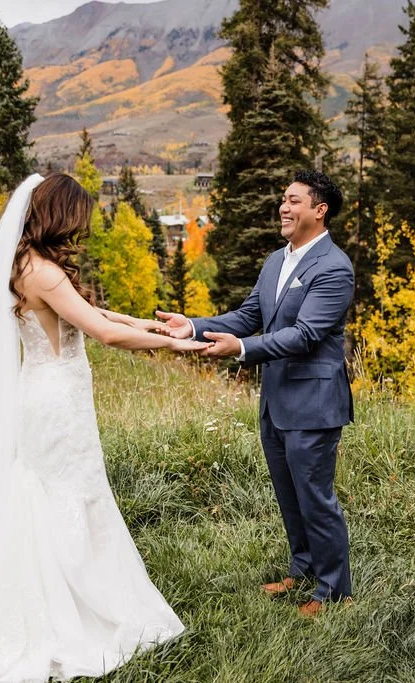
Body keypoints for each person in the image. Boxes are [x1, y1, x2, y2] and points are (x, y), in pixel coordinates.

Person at [0, 174, 205, 683]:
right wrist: (173, 346)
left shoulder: (26, 264)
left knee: (57, 492)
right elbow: (101, 331)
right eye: (79, 218)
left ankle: (67, 596)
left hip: (47, 393)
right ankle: (71, 608)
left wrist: (150, 325)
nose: (83, 228)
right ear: (61, 214)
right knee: (66, 494)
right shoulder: (44, 273)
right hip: (56, 400)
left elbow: (96, 313)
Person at [157, 170, 355, 617]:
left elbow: (305, 335)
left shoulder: (335, 267)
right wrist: (193, 325)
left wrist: (243, 350)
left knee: (315, 497)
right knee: (289, 493)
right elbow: (248, 315)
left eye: (294, 201)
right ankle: (302, 571)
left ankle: (333, 591)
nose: (284, 208)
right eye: (283, 201)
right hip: (274, 401)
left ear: (319, 211)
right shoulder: (274, 261)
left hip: (315, 405)